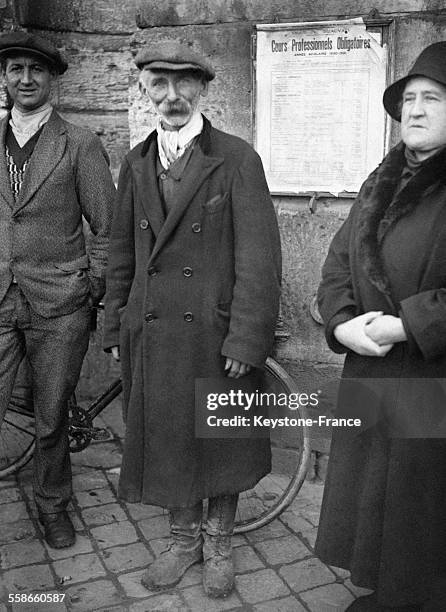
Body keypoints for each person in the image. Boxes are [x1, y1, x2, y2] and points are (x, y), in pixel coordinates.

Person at [103, 42, 281, 598]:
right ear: (143, 89)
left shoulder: (236, 158)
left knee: (220, 437)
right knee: (173, 436)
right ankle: (183, 543)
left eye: (185, 83)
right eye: (159, 83)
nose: (173, 96)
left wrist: (247, 338)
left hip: (214, 332)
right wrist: (116, 327)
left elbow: (259, 257)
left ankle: (219, 544)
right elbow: (120, 256)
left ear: (204, 89)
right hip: (154, 331)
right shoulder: (135, 162)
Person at [315, 42, 446, 611]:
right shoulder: (381, 179)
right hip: (370, 363)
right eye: (408, 99)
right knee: (375, 488)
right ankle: (389, 590)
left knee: (421, 492)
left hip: (428, 371)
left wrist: (406, 325)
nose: (413, 111)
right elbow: (340, 261)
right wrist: (342, 323)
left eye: (432, 99)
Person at [0, 32, 115, 548]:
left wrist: (88, 286)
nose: (25, 79)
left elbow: (109, 230)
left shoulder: (80, 144)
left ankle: (53, 506)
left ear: (53, 80)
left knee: (50, 418)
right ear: (3, 78)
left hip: (59, 305)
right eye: (16, 69)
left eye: (36, 71)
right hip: (0, 298)